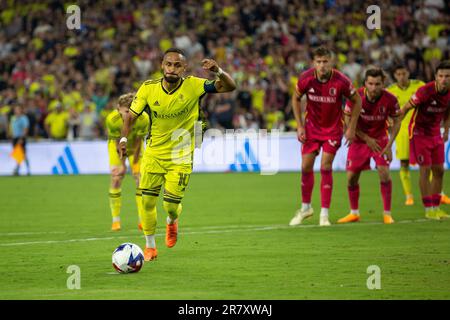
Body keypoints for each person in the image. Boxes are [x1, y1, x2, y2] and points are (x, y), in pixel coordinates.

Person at [119, 48, 236, 261]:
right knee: (147, 202)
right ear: (162, 66)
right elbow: (130, 117)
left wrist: (217, 70)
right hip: (154, 153)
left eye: (177, 65)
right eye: (168, 64)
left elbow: (230, 86)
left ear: (184, 69)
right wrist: (124, 139)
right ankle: (150, 246)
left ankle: (172, 221)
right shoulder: (148, 88)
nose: (172, 69)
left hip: (181, 155)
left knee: (170, 206)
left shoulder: (194, 85)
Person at [289, 46, 362, 227]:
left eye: (325, 62)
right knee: (305, 166)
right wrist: (299, 126)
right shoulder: (306, 78)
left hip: (332, 130)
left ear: (331, 62)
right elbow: (295, 98)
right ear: (314, 63)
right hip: (311, 129)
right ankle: (306, 208)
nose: (322, 66)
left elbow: (357, 100)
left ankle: (324, 214)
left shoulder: (341, 81)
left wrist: (351, 128)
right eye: (319, 62)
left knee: (325, 166)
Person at [338, 68, 402, 224]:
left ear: (383, 83)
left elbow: (397, 121)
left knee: (384, 172)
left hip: (380, 139)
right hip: (360, 139)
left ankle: (387, 213)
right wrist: (366, 138)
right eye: (370, 84)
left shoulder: (391, 100)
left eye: (377, 84)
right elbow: (347, 120)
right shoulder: (355, 96)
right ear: (365, 83)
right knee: (351, 178)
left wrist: (390, 144)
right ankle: (354, 213)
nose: (374, 88)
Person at [401, 60, 450, 220]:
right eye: (441, 76)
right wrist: (391, 124)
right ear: (435, 76)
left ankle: (436, 207)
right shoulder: (425, 91)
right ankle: (428, 209)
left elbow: (448, 112)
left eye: (447, 76)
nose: (444, 79)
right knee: (425, 170)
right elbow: (406, 108)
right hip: (419, 133)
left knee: (439, 171)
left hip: (436, 133)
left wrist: (446, 130)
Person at [105, 93, 150, 231]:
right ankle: (115, 220)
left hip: (135, 148)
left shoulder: (143, 118)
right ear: (118, 108)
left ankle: (142, 220)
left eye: (131, 112)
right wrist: (123, 165)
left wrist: (134, 164)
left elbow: (138, 141)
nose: (128, 116)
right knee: (116, 178)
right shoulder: (112, 120)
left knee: (140, 181)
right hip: (117, 148)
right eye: (125, 112)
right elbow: (117, 142)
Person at [387, 65, 425, 206]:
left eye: (404, 73)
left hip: (419, 130)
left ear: (408, 73)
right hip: (402, 131)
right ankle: (409, 195)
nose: (401, 76)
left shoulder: (419, 86)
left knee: (427, 162)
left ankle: (434, 192)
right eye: (398, 73)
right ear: (395, 75)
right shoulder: (390, 91)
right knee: (404, 163)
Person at [9, 105, 30, 175]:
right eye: (15, 109)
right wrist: (11, 137)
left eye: (18, 109)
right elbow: (12, 128)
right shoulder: (13, 118)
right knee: (18, 154)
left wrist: (21, 138)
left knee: (23, 154)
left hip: (21, 138)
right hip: (15, 138)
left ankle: (27, 169)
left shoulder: (24, 118)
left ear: (21, 110)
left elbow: (26, 129)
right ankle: (17, 169)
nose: (16, 111)